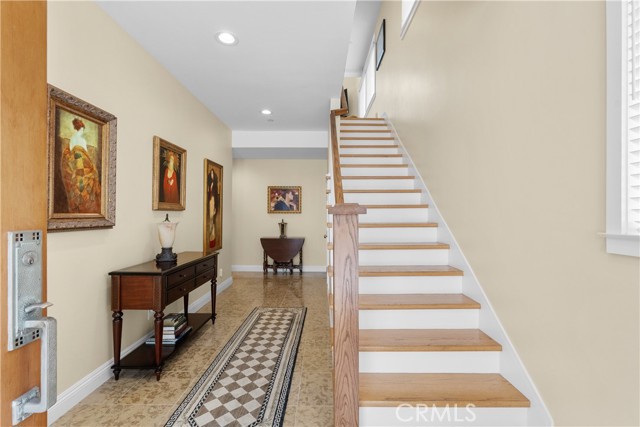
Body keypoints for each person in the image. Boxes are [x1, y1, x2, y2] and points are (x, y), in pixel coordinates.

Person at [59, 117, 101, 213]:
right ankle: (81, 206)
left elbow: (82, 155)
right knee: (81, 188)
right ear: (79, 128)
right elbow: (77, 155)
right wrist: (83, 167)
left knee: (84, 188)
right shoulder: (78, 139)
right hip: (79, 166)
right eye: (81, 128)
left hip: (82, 165)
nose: (82, 130)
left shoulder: (76, 139)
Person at [207, 168, 220, 249]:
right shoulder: (209, 185)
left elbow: (216, 196)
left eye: (213, 174)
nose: (211, 175)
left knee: (213, 221)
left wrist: (214, 207)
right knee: (211, 220)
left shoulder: (215, 186)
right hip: (210, 200)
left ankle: (213, 239)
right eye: (210, 174)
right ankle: (211, 239)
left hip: (213, 201)